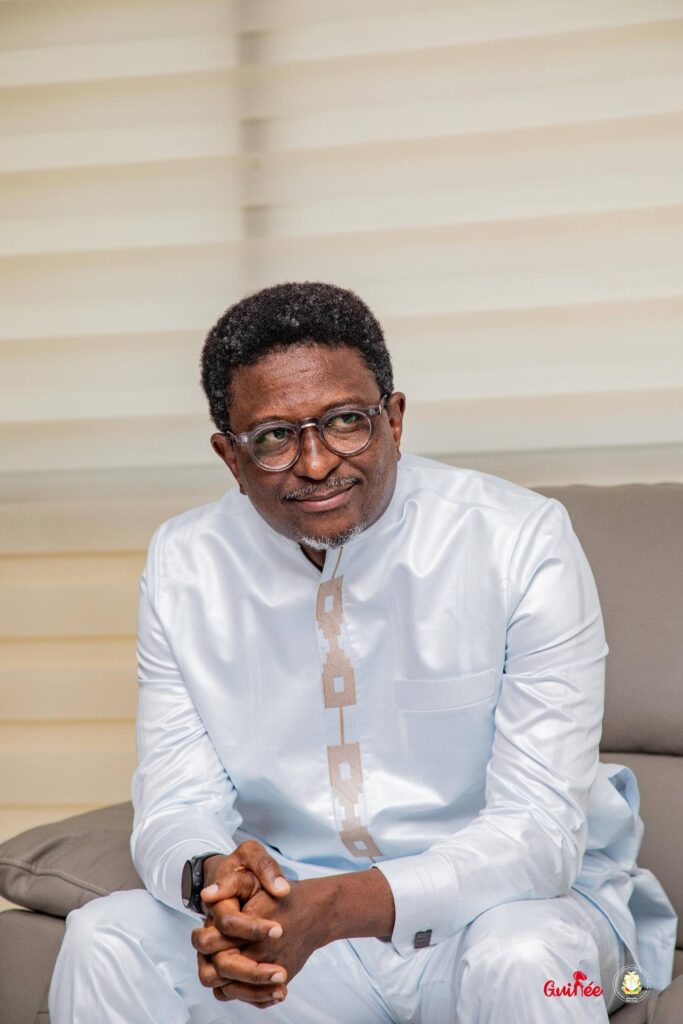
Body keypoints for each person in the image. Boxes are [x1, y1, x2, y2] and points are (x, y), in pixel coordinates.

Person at [49, 281, 676, 1023]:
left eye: (346, 421)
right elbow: (175, 803)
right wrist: (215, 880)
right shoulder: (185, 564)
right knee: (105, 939)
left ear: (395, 419)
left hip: (514, 916)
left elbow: (538, 837)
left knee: (524, 959)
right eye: (273, 437)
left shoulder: (517, 540)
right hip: (299, 929)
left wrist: (337, 907)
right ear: (229, 456)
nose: (316, 463)